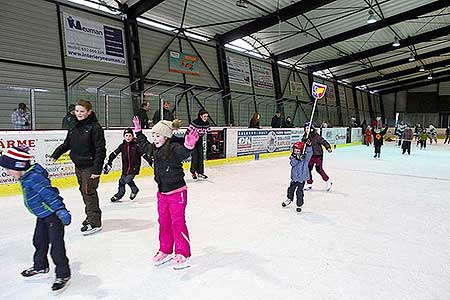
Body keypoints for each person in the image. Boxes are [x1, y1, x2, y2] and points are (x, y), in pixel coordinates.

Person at [0, 146, 71, 292]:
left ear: (18, 166)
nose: (6, 173)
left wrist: (60, 210)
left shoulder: (34, 178)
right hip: (42, 216)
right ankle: (41, 266)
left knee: (56, 247)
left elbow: (49, 195)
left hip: (53, 216)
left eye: (8, 169)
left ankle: (63, 274)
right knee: (39, 241)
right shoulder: (26, 176)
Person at [133, 116, 200, 269]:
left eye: (158, 136)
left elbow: (183, 152)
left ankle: (183, 253)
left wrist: (189, 145)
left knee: (177, 222)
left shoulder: (173, 148)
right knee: (164, 222)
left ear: (166, 136)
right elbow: (143, 145)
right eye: (154, 135)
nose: (155, 139)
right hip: (162, 192)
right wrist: (138, 131)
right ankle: (165, 250)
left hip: (177, 192)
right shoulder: (154, 149)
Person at [51, 100, 106, 236]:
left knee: (89, 193)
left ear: (89, 112)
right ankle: (90, 216)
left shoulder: (95, 127)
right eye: (77, 111)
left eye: (82, 111)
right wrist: (56, 154)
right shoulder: (74, 125)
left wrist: (96, 170)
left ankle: (95, 222)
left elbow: (100, 150)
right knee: (84, 192)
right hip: (79, 166)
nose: (79, 113)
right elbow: (67, 143)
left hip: (90, 166)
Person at [103, 128, 153, 202]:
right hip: (125, 168)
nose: (128, 137)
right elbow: (114, 154)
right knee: (121, 181)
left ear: (133, 136)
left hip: (134, 168)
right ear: (124, 136)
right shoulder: (122, 146)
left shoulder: (137, 146)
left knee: (126, 180)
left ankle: (134, 189)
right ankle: (120, 194)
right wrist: (109, 162)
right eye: (126, 135)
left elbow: (144, 155)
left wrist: (151, 162)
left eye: (130, 135)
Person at [281, 141, 313, 212]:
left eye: (298, 151)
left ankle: (299, 205)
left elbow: (310, 153)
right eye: (295, 151)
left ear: (301, 151)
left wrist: (308, 146)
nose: (296, 152)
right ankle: (289, 199)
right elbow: (292, 164)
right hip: (294, 178)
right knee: (290, 189)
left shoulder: (305, 159)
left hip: (301, 179)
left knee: (299, 192)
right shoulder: (293, 157)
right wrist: (297, 158)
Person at [302, 122, 333, 191]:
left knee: (319, 169)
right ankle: (309, 183)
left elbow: (323, 141)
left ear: (312, 129)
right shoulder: (305, 136)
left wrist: (328, 147)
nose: (306, 130)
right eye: (305, 128)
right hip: (310, 155)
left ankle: (328, 181)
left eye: (308, 128)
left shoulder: (316, 136)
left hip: (318, 155)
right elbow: (303, 146)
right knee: (308, 169)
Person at [189, 109, 211, 180]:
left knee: (201, 156)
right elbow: (188, 131)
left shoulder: (207, 123)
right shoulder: (195, 123)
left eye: (207, 116)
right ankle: (193, 172)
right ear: (200, 116)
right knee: (195, 157)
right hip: (193, 140)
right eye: (204, 116)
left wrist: (212, 143)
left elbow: (209, 133)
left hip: (199, 140)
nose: (206, 118)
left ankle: (200, 172)